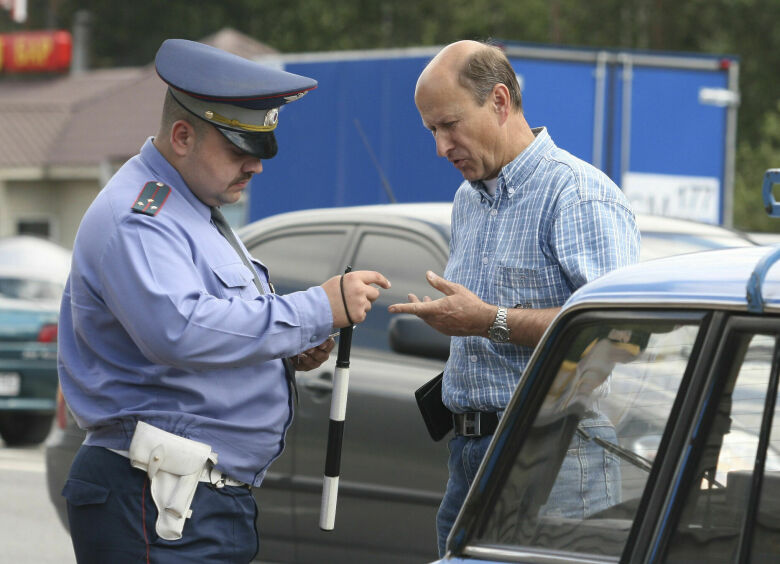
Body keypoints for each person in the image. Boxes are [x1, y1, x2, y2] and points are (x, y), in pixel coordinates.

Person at [57, 38, 390, 563]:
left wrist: (286, 349)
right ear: (183, 136)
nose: (255, 166)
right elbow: (180, 329)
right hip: (154, 496)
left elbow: (217, 327)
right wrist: (317, 309)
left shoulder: (196, 209)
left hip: (189, 497)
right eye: (238, 150)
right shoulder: (141, 216)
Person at [388, 40, 641, 556]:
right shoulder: (468, 199)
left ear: (500, 101)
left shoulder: (577, 194)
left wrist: (488, 320)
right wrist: (464, 322)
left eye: (449, 125)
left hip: (555, 454)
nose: (441, 146)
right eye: (431, 130)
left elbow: (622, 334)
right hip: (469, 454)